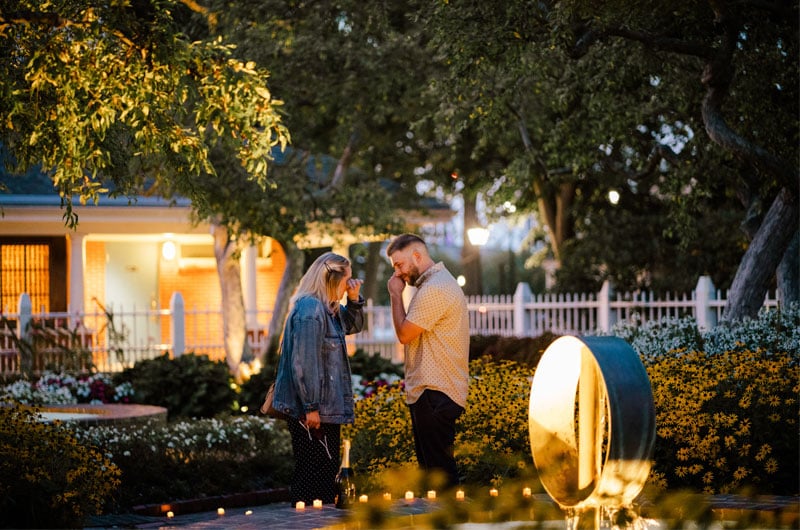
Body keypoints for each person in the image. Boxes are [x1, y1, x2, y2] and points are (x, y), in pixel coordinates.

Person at [271, 251, 364, 505]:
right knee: (313, 480)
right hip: (312, 412)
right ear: (331, 280)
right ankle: (308, 522)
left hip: (323, 409)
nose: (349, 285)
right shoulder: (311, 309)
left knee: (324, 476)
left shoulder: (328, 309)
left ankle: (316, 520)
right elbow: (304, 362)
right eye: (347, 280)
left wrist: (354, 301)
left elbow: (352, 327)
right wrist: (310, 407)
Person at [385, 233, 469, 488]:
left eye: (399, 265)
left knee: (440, 479)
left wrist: (395, 295)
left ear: (417, 256)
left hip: (436, 391)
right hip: (433, 390)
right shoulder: (433, 285)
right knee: (434, 477)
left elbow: (404, 334)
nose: (397, 274)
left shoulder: (436, 288)